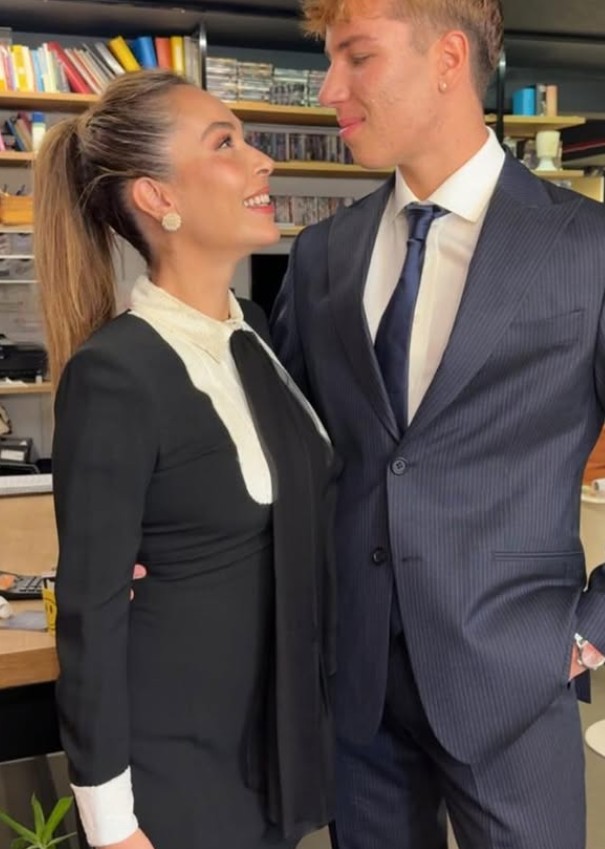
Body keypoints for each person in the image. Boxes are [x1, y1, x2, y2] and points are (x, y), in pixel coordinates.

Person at [270, 1, 605, 848]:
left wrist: (590, 630)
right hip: (355, 690)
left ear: (448, 58)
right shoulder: (321, 255)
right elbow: (287, 452)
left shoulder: (587, 246)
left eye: (356, 58)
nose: (328, 89)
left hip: (513, 679)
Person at [35, 69, 336, 849]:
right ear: (156, 196)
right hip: (179, 777)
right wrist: (112, 824)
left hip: (268, 753)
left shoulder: (255, 331)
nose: (262, 160)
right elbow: (93, 611)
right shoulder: (116, 372)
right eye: (224, 144)